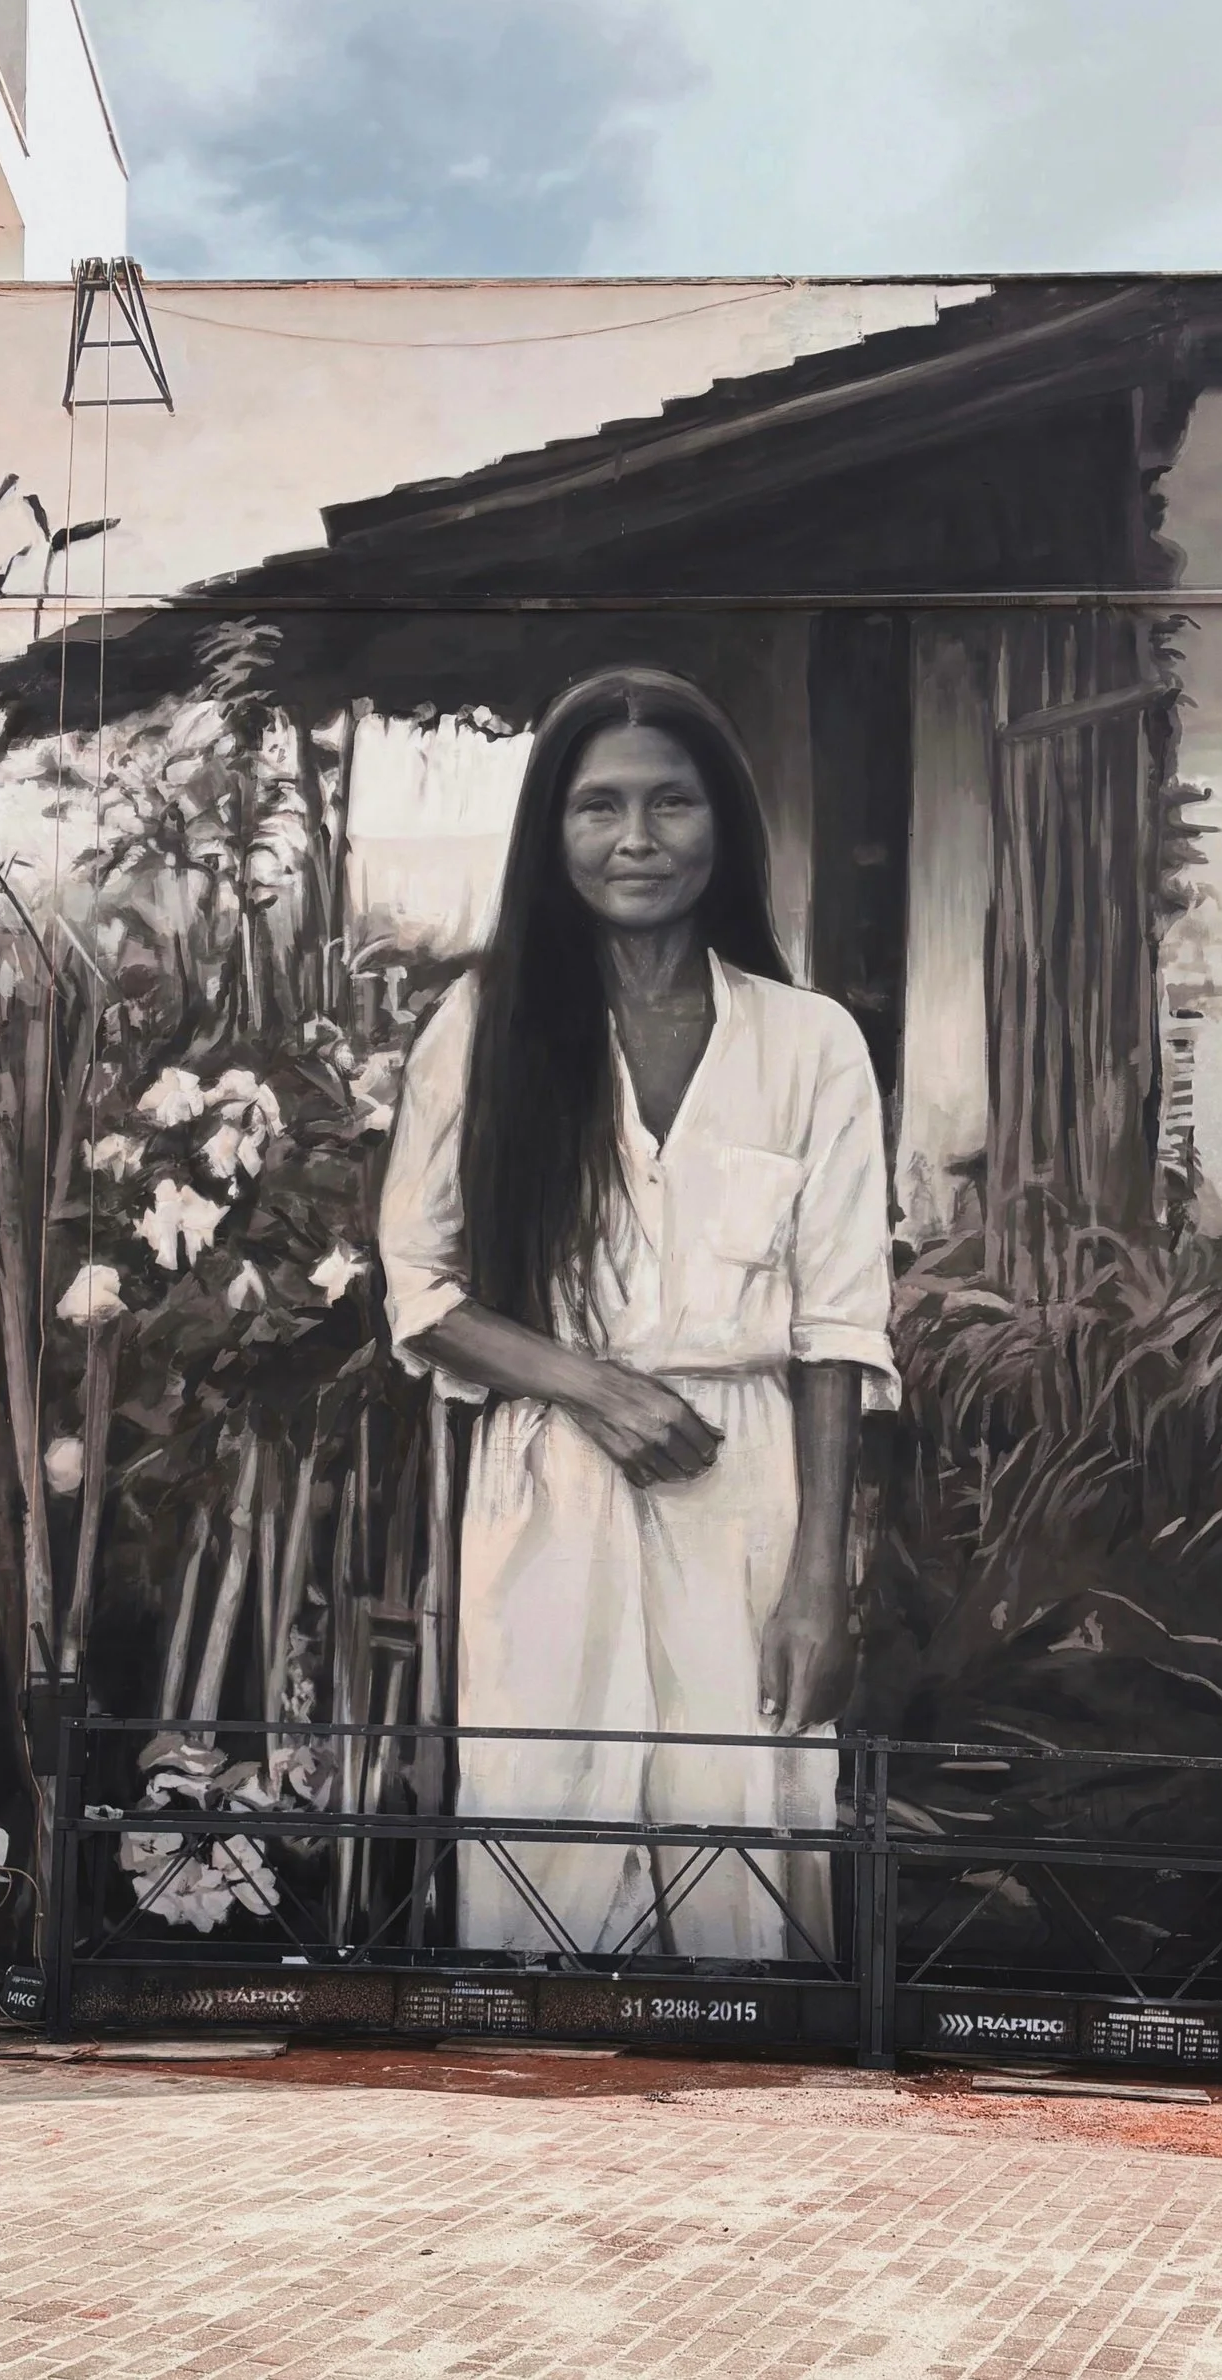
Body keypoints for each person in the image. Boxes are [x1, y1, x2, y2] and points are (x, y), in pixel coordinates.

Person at [377, 665, 897, 1960]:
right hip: (549, 1491)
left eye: (672, 802)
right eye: (598, 806)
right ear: (552, 833)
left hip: (746, 1496)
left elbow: (837, 1328)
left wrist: (819, 1580)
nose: (636, 839)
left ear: (723, 822)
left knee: (746, 1856)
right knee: (547, 1841)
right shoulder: (483, 1028)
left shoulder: (810, 1044)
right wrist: (594, 1389)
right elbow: (421, 1288)